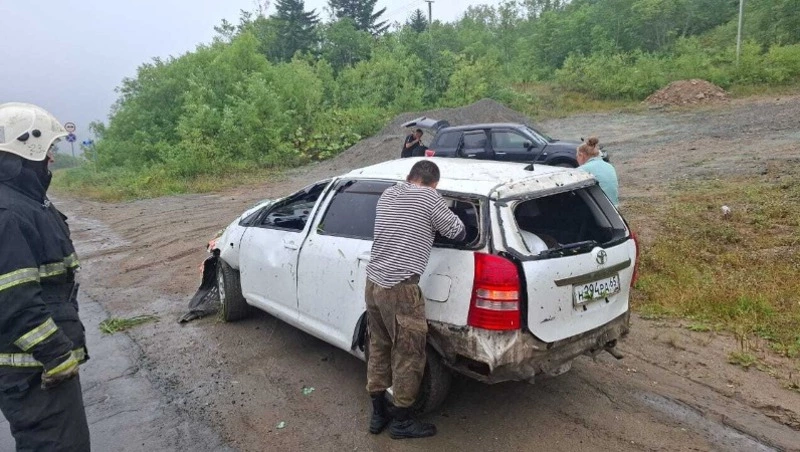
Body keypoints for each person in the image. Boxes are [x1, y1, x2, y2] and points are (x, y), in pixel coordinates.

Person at [0, 103, 91, 451]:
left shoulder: (27, 202)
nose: (52, 158)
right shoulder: (9, 213)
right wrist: (56, 354)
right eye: (48, 149)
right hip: (36, 373)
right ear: (27, 151)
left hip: (42, 371)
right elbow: (13, 299)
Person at [365, 160, 465, 439]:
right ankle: (402, 422)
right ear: (434, 183)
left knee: (379, 345)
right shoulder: (430, 197)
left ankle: (378, 414)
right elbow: (458, 232)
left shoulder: (388, 194)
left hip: (373, 284)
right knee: (409, 353)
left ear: (409, 177)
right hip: (400, 289)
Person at [577, 137, 619, 206]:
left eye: (577, 156)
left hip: (598, 210)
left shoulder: (582, 170)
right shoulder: (609, 166)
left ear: (581, 155)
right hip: (614, 207)